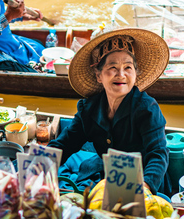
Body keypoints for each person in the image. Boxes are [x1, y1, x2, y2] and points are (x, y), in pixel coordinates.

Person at [48, 28, 172, 196]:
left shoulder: (147, 108)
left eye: (128, 67)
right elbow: (64, 144)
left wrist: (145, 186)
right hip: (111, 181)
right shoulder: (89, 109)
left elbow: (158, 154)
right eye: (113, 67)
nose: (121, 74)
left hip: (145, 185)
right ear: (99, 75)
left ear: (135, 73)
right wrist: (39, 164)